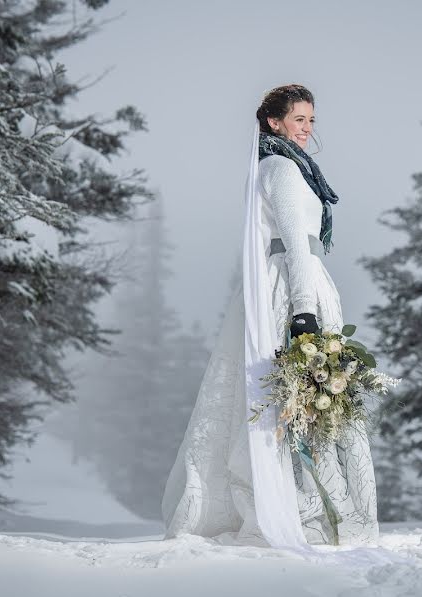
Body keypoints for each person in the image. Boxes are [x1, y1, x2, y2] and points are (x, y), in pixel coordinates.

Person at [161, 84, 378, 548]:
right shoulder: (280, 168)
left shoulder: (296, 168)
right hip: (294, 286)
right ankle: (308, 511)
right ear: (274, 122)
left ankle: (319, 509)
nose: (307, 128)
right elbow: (295, 242)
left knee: (309, 398)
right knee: (298, 398)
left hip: (307, 282)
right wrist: (303, 309)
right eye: (299, 119)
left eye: (312, 120)